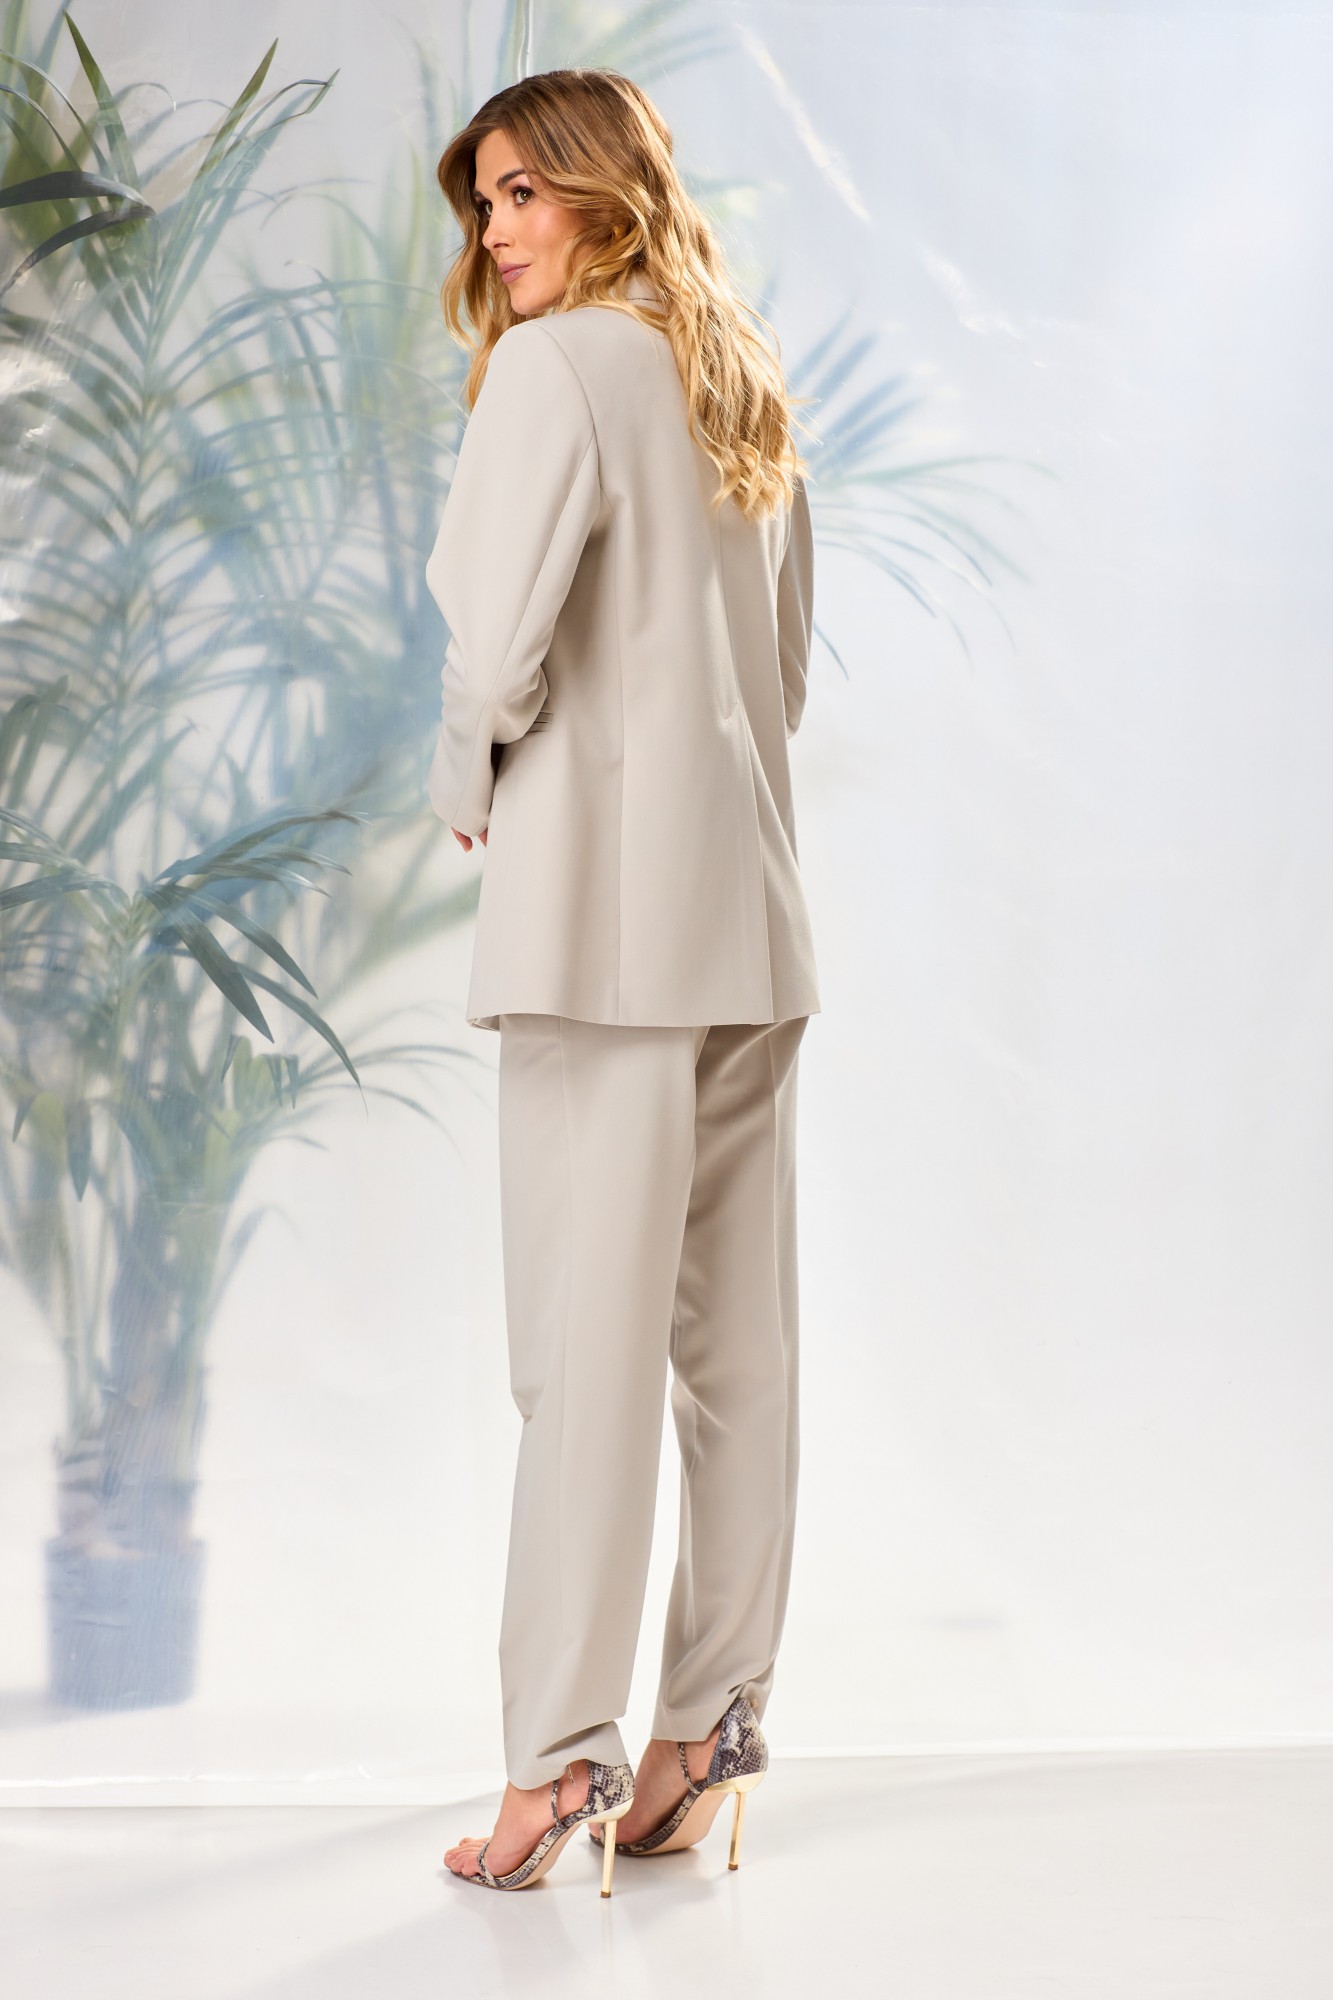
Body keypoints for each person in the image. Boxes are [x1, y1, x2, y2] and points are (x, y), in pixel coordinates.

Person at [426, 67, 821, 1896]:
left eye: (522, 190)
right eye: (482, 199)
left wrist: (466, 775)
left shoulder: (557, 369)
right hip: (747, 917)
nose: (494, 228)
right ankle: (706, 1729)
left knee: (580, 1363)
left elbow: (495, 644)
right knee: (735, 1356)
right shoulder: (736, 370)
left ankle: (555, 1768)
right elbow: (783, 671)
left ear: (600, 190)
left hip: (598, 925)